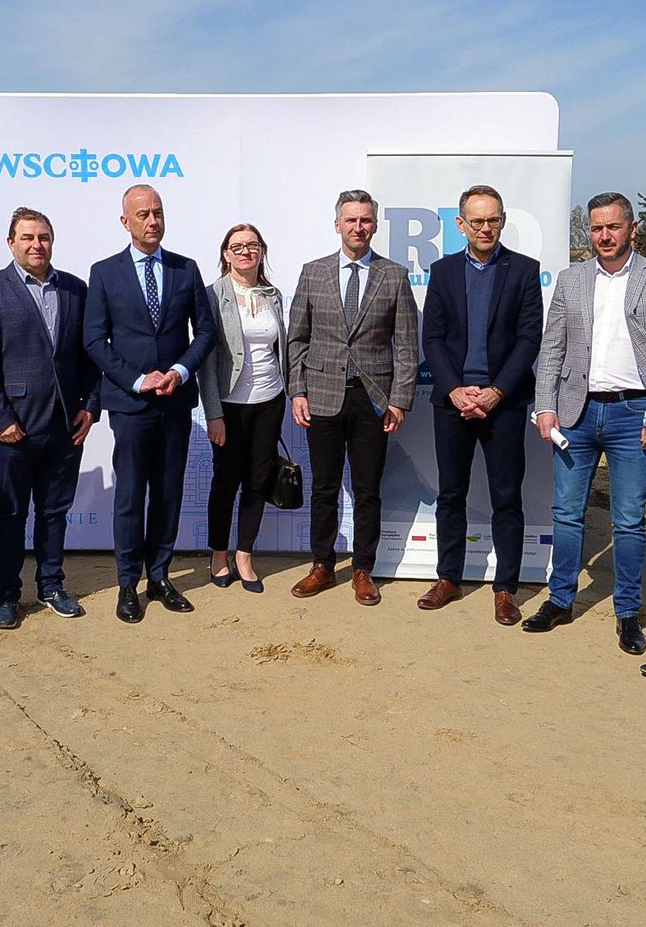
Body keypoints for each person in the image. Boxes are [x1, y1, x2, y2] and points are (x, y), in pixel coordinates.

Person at [525, 193, 646, 654]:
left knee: (629, 520)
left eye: (613, 227)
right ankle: (560, 600)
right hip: (575, 414)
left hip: (634, 414)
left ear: (632, 228)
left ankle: (628, 611)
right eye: (596, 228)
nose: (605, 236)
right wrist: (545, 406)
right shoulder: (571, 280)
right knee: (566, 513)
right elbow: (552, 348)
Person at [83, 184, 217, 623]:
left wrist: (179, 371)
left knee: (167, 493)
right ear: (125, 221)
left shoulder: (185, 268)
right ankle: (127, 583)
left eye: (157, 212)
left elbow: (206, 332)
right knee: (129, 495)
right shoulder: (105, 272)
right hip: (130, 404)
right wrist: (138, 380)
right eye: (142, 214)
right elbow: (94, 340)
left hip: (175, 403)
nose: (152, 221)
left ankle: (159, 577)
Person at [0, 208, 100, 628]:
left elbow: (90, 355)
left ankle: (51, 585)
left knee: (54, 511)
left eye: (43, 237)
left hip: (64, 427)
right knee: (10, 513)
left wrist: (91, 406)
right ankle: (7, 594)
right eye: (27, 237)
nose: (36, 245)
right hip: (14, 429)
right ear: (11, 243)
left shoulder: (75, 289)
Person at [417, 185, 543, 625]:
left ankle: (506, 588)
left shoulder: (524, 270)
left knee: (506, 496)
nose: (485, 228)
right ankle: (448, 578)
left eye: (493, 220)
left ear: (503, 221)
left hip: (503, 403)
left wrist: (496, 391)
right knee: (450, 494)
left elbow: (529, 338)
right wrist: (455, 389)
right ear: (461, 224)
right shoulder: (442, 271)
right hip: (452, 403)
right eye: (477, 221)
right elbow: (432, 337)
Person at [287, 189, 419, 605]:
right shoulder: (313, 273)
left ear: (374, 225)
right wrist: (297, 390)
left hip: (373, 399)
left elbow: (406, 345)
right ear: (337, 225)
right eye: (351, 220)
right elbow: (297, 338)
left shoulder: (394, 276)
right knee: (324, 487)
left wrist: (399, 399)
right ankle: (322, 565)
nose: (358, 227)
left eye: (365, 220)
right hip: (322, 395)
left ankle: (363, 568)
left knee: (367, 489)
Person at [198, 223, 287, 593]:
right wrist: (213, 413)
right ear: (226, 254)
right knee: (225, 481)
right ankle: (219, 555)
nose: (246, 252)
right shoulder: (211, 295)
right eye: (237, 246)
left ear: (261, 250)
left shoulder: (272, 294)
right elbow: (206, 361)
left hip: (270, 400)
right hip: (229, 406)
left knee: (258, 480)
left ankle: (244, 555)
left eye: (252, 245)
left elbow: (280, 348)